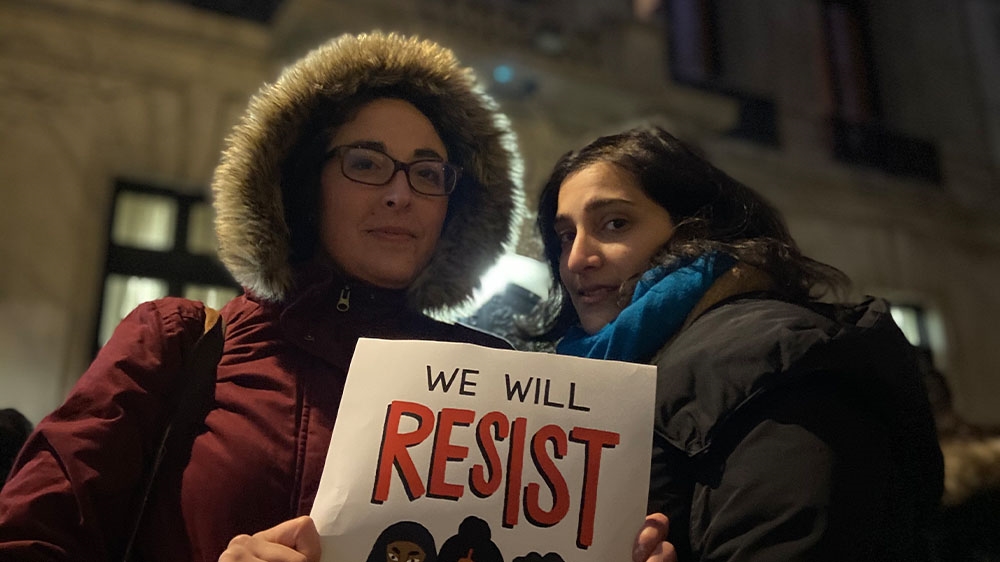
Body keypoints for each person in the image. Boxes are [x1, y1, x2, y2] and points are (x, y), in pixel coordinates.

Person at [0, 32, 524, 562]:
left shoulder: (487, 382)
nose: (400, 194)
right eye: (366, 164)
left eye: (428, 174)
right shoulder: (176, 343)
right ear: (303, 183)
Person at [529, 126, 944, 561]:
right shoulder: (601, 375)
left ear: (693, 226)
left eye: (615, 223)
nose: (577, 259)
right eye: (565, 236)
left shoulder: (777, 363)